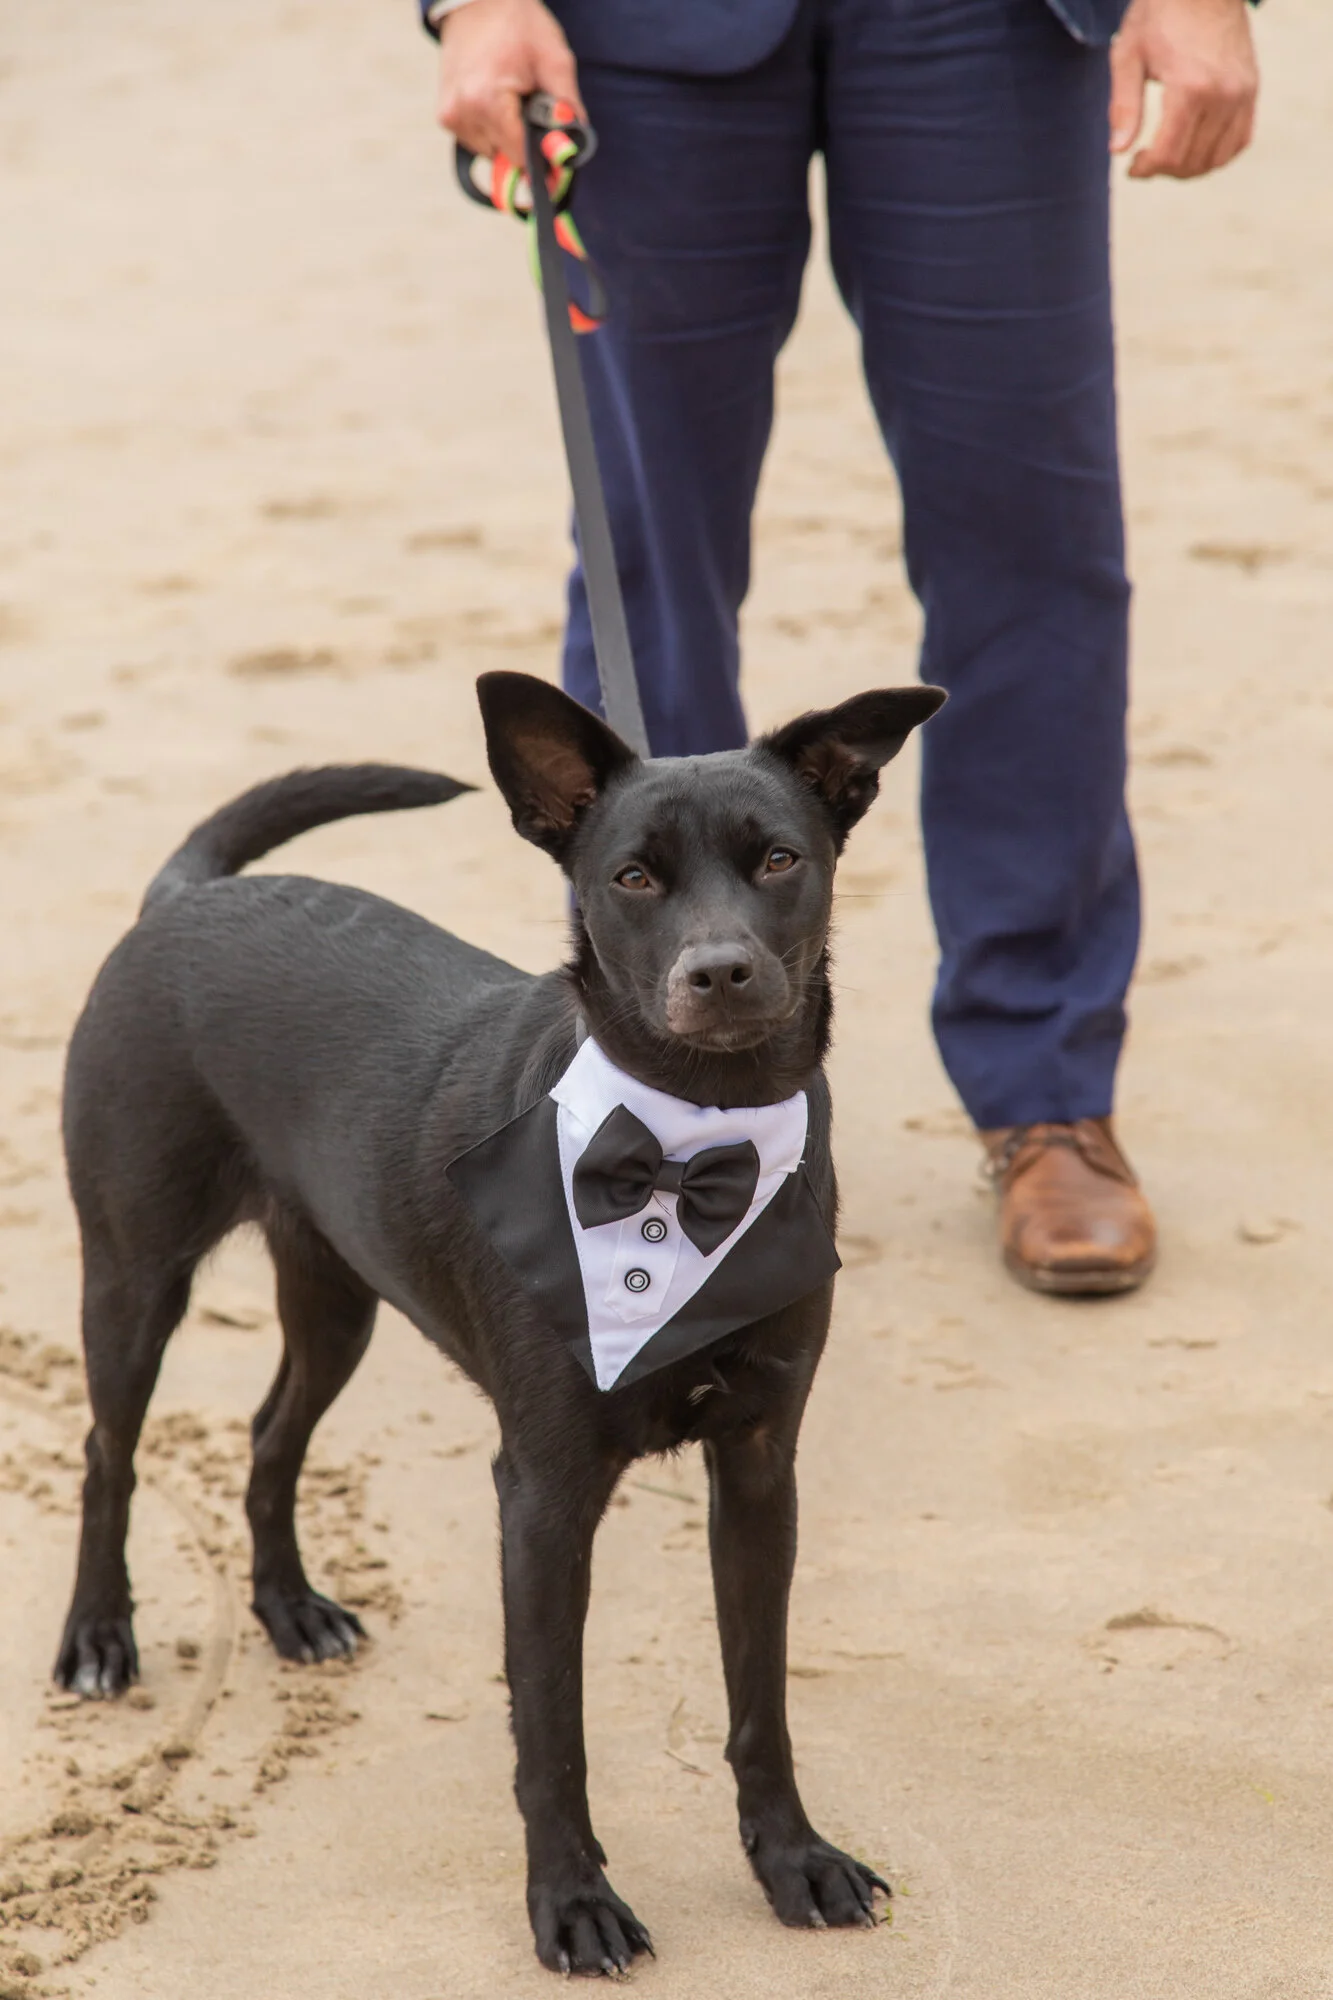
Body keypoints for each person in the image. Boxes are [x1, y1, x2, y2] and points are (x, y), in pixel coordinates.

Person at [424, 0, 1259, 1296]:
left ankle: (1046, 1094)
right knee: (649, 559)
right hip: (640, 37)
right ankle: (670, 1117)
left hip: (987, 30)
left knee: (1035, 555)